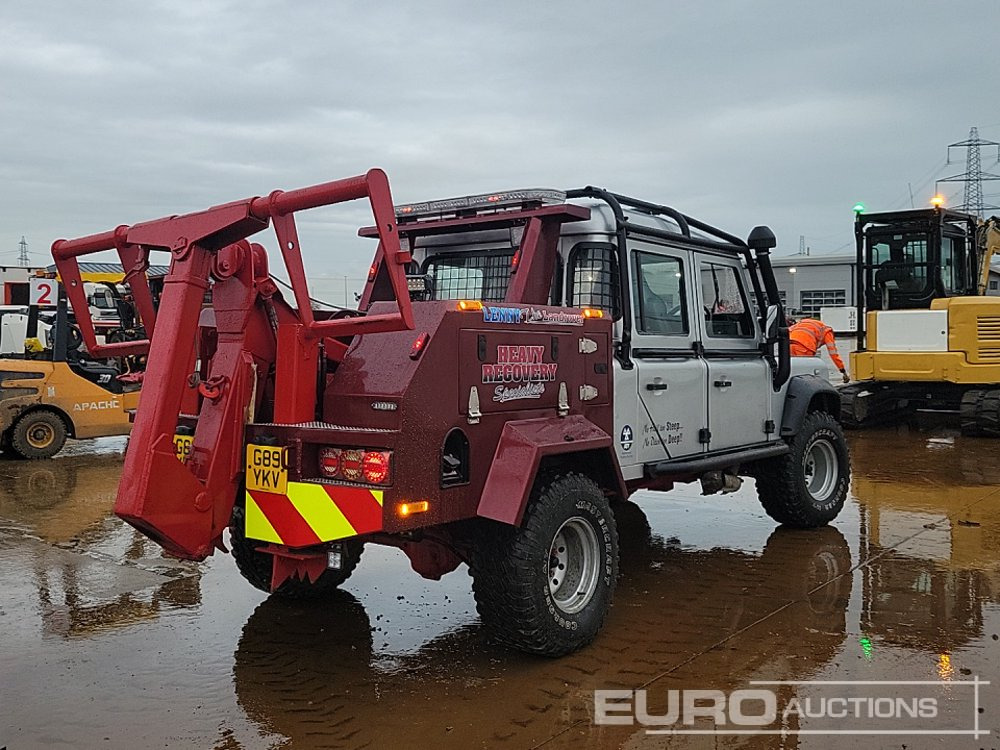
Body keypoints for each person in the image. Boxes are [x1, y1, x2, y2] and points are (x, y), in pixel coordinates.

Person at [788, 317, 850, 383]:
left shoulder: (802, 323)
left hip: (789, 345)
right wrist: (843, 371)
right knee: (805, 373)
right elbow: (833, 353)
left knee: (792, 370)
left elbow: (788, 330)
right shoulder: (826, 331)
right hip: (805, 347)